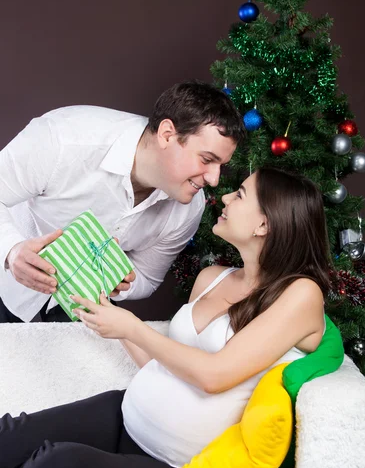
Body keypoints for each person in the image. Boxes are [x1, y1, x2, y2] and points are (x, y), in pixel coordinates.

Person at [0, 167, 330, 468]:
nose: (227, 197)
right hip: (125, 413)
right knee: (10, 436)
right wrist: (106, 310)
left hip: (169, 463)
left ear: (265, 224)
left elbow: (214, 376)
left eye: (241, 194)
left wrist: (131, 326)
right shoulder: (212, 278)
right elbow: (168, 363)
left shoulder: (301, 295)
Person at [0, 80, 244, 323]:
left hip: (80, 315)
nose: (214, 179)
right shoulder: (64, 138)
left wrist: (119, 280)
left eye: (221, 165)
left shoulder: (189, 208)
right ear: (167, 134)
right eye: (206, 159)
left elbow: (147, 277)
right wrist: (12, 251)